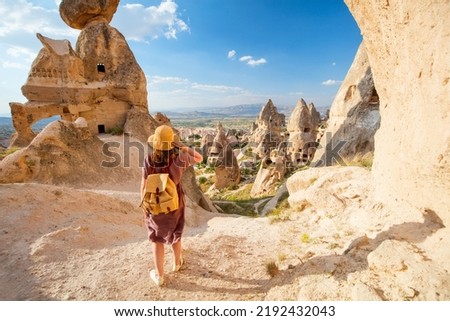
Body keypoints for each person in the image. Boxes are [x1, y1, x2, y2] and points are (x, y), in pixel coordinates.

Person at [141, 125, 203, 286]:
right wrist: (184, 147)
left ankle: (160, 276)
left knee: (157, 239)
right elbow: (199, 158)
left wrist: (144, 204)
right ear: (171, 144)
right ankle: (177, 263)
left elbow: (144, 184)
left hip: (154, 204)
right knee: (176, 233)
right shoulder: (180, 159)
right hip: (174, 203)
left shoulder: (148, 159)